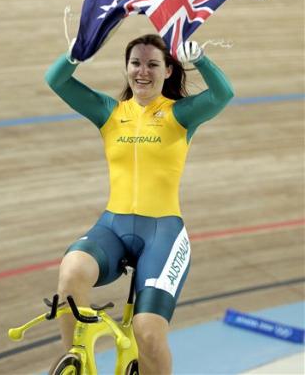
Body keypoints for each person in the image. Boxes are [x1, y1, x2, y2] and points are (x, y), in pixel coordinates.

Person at [45, 34, 234, 374]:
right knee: (70, 275)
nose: (142, 71)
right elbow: (56, 80)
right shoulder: (110, 112)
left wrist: (202, 60)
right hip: (112, 228)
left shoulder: (181, 114)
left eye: (152, 64)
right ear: (126, 68)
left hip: (162, 235)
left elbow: (224, 95)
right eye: (135, 63)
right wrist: (75, 54)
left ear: (168, 70)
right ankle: (78, 361)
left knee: (147, 335)